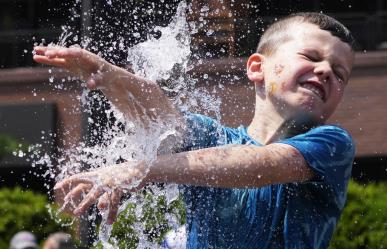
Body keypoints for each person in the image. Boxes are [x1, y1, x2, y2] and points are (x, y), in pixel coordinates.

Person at [33, 12, 356, 249]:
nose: (326, 70)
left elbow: (262, 165)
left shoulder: (331, 145)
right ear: (257, 68)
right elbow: (159, 119)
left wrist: (140, 170)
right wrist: (108, 75)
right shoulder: (213, 139)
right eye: (311, 56)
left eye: (340, 74)